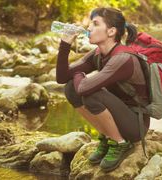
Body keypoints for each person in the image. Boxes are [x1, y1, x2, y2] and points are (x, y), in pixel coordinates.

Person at [56, 7, 150, 172]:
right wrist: (65, 45)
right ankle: (108, 137)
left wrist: (78, 73)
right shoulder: (99, 54)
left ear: (111, 31)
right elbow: (62, 77)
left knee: (91, 93)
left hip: (136, 125)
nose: (89, 28)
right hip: (119, 116)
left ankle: (120, 143)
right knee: (71, 88)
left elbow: (85, 88)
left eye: (95, 24)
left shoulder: (123, 58)